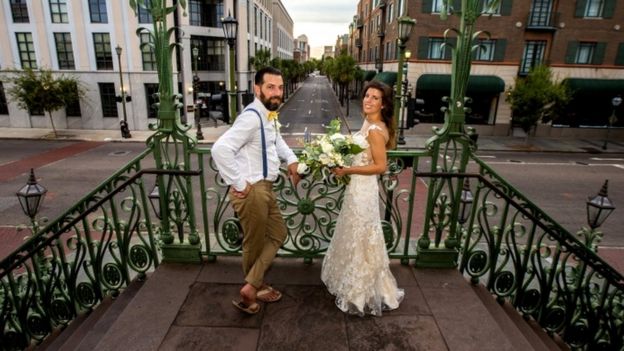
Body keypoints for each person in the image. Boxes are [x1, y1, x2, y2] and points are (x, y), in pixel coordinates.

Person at [212, 67, 300, 314]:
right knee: (254, 242)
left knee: (278, 234)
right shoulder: (251, 117)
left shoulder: (268, 115)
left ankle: (251, 285)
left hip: (265, 187)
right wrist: (239, 183)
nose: (277, 93)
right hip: (252, 190)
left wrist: (291, 160)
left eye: (280, 87)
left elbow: (276, 141)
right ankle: (254, 289)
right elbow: (220, 150)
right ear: (257, 88)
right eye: (270, 87)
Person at [321, 80, 405, 316]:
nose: (368, 100)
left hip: (363, 190)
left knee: (362, 235)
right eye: (367, 96)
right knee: (356, 232)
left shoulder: (377, 130)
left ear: (384, 104)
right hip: (357, 188)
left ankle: (360, 292)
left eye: (375, 98)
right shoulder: (369, 123)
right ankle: (351, 282)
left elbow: (380, 166)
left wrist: (347, 170)